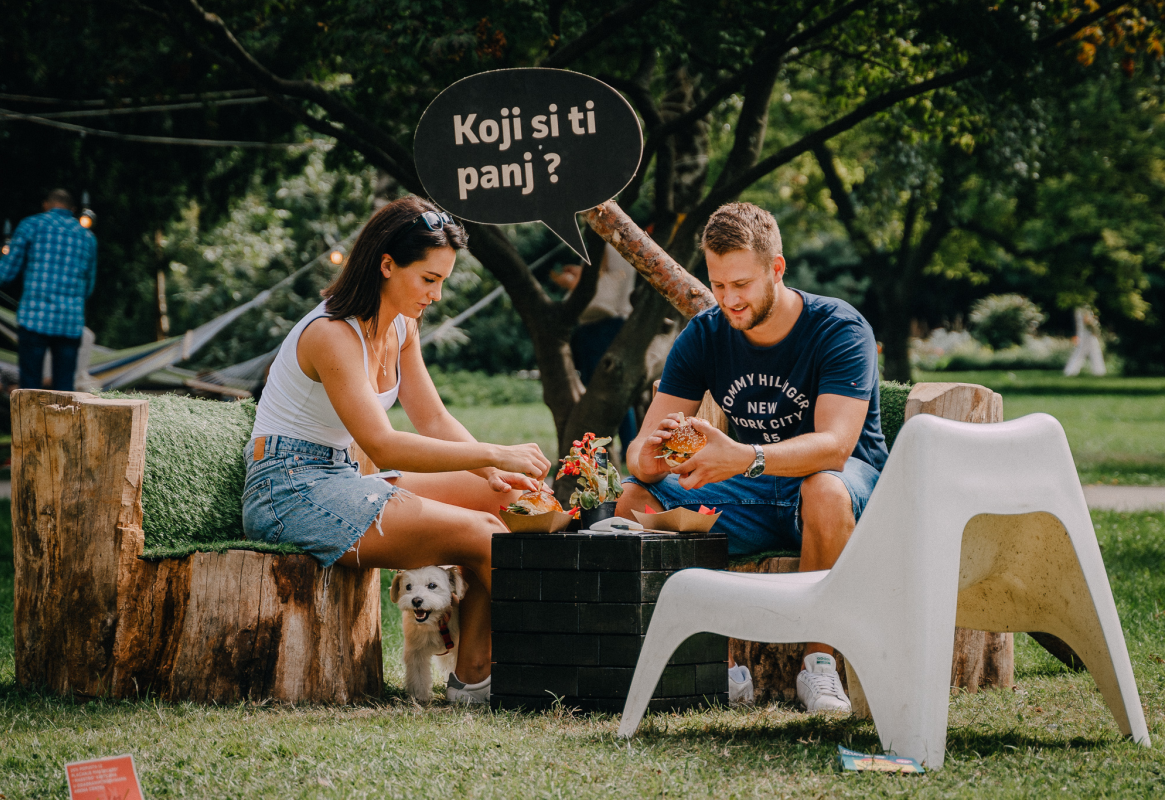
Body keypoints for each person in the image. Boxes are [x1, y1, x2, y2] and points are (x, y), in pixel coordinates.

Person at [244, 196, 550, 704]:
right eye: (428, 279)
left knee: (505, 505)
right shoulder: (331, 334)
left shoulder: (402, 326)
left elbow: (432, 418)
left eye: (442, 282)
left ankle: (473, 678)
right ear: (386, 265)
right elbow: (383, 443)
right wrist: (494, 453)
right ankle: (543, 666)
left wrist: (492, 471)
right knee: (485, 536)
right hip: (288, 490)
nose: (435, 295)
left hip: (340, 477)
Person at [616, 202, 887, 713]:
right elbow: (640, 451)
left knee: (821, 487)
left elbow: (835, 446)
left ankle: (820, 666)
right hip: (759, 495)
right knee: (632, 502)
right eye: (718, 286)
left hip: (847, 491)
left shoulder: (839, 328)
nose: (728, 300)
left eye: (741, 284)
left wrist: (744, 458)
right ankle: (706, 666)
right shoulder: (705, 333)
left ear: (776, 269)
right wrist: (649, 459)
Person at [0, 189, 97, 390]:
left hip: (34, 320)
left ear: (46, 205)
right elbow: (89, 286)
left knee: (30, 387)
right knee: (65, 390)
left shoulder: (31, 225)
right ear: (72, 210)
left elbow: (6, 272)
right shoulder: (87, 237)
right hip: (70, 322)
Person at [550, 244, 639, 450]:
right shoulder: (627, 241)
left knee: (598, 390)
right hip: (618, 321)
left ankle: (601, 448)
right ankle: (627, 447)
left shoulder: (603, 241)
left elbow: (596, 276)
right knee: (618, 388)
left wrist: (572, 282)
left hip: (600, 323)